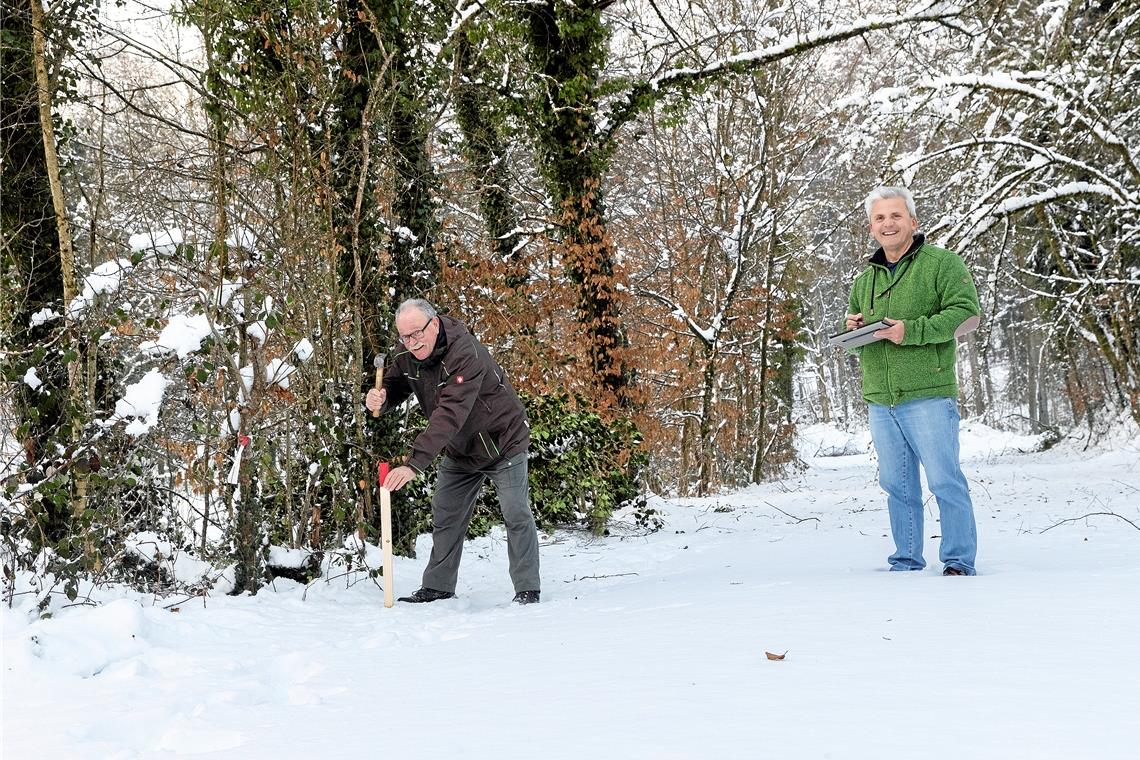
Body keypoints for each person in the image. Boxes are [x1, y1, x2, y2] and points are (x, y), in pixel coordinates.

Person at [366, 298, 542, 603]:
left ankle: (527, 588)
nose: (411, 342)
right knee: (445, 511)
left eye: (417, 333)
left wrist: (414, 463)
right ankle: (438, 587)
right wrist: (380, 399)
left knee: (515, 511)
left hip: (503, 442)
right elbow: (394, 384)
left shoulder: (465, 354)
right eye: (404, 337)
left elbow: (450, 414)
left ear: (434, 325)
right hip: (461, 449)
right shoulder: (409, 355)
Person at [844, 186, 982, 576]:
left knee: (944, 481)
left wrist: (911, 331)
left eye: (895, 216)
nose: (888, 224)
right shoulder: (863, 281)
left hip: (928, 394)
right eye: (879, 218)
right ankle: (905, 559)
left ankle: (957, 560)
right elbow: (859, 343)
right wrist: (852, 329)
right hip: (880, 398)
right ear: (871, 228)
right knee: (897, 487)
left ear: (913, 222)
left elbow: (965, 314)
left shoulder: (942, 264)